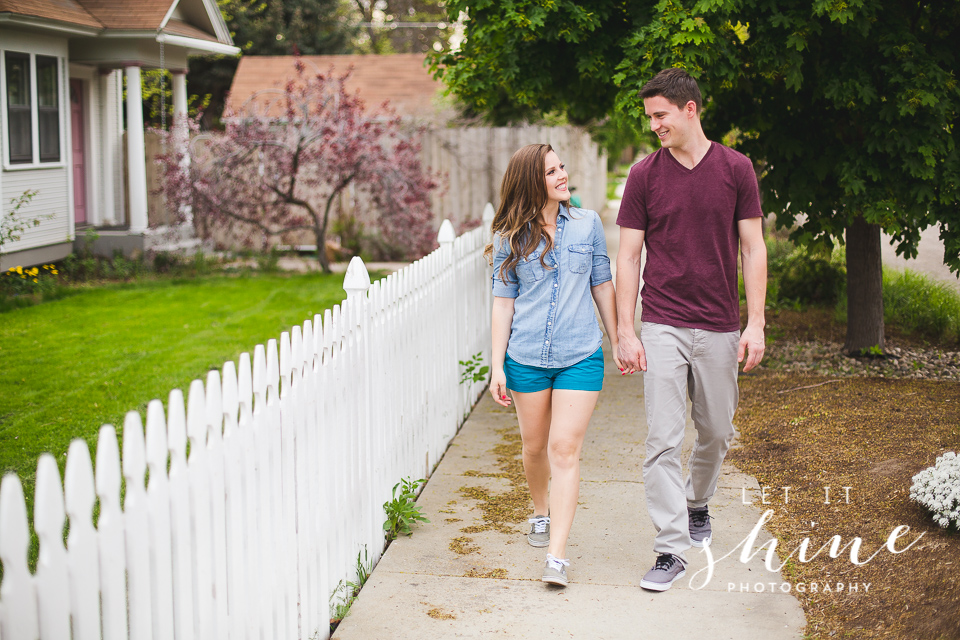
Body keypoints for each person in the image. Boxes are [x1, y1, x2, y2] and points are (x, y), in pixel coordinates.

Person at [615, 68, 767, 592]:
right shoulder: (644, 175)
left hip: (721, 324)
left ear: (689, 110)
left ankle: (697, 500)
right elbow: (629, 255)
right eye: (650, 116)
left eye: (660, 115)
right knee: (662, 440)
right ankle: (670, 548)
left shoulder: (736, 169)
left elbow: (753, 248)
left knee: (717, 432)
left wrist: (756, 323)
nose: (654, 124)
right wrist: (625, 329)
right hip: (661, 322)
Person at [488, 143, 621, 587]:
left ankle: (557, 556)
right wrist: (497, 365)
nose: (563, 175)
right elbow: (503, 303)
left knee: (564, 449)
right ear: (532, 181)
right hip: (525, 356)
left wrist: (620, 339)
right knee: (534, 447)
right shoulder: (509, 235)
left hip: (580, 355)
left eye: (562, 166)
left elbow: (602, 285)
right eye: (552, 171)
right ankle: (540, 512)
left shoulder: (588, 225)